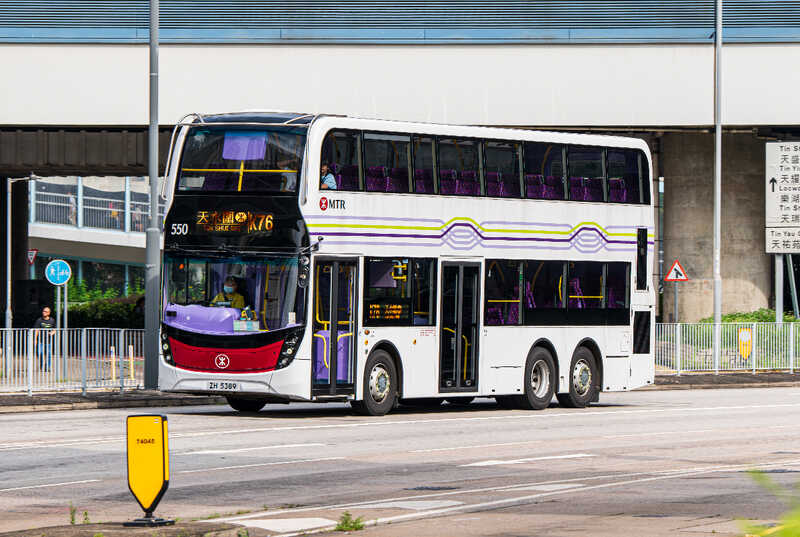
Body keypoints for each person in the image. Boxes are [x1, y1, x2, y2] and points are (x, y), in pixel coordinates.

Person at [33, 306, 55, 371]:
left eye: (45, 311)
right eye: (43, 311)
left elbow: (55, 329)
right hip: (40, 340)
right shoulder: (39, 320)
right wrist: (35, 339)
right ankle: (42, 366)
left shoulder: (52, 320)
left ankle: (48, 367)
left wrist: (52, 333)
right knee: (40, 353)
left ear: (49, 313)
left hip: (48, 341)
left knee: (49, 354)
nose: (44, 312)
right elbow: (36, 330)